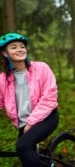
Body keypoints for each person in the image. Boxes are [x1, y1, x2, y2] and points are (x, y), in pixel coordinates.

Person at [0, 32, 59, 167]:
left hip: (46, 117)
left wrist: (31, 123)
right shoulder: (3, 79)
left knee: (23, 147)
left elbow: (49, 98)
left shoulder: (42, 68)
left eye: (22, 46)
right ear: (5, 53)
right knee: (27, 159)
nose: (20, 49)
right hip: (23, 124)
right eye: (14, 47)